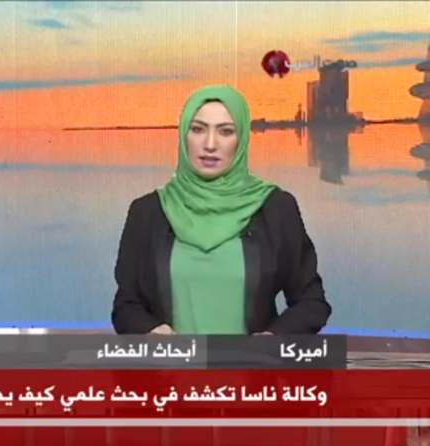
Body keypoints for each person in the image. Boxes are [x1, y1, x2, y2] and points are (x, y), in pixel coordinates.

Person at [111, 84, 331, 336]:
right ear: (183, 136)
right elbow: (126, 306)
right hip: (173, 362)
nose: (210, 144)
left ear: (242, 139)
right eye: (198, 129)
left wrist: (273, 339)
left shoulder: (275, 208)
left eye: (225, 131)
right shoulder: (147, 212)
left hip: (253, 361)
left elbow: (311, 302)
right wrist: (151, 330)